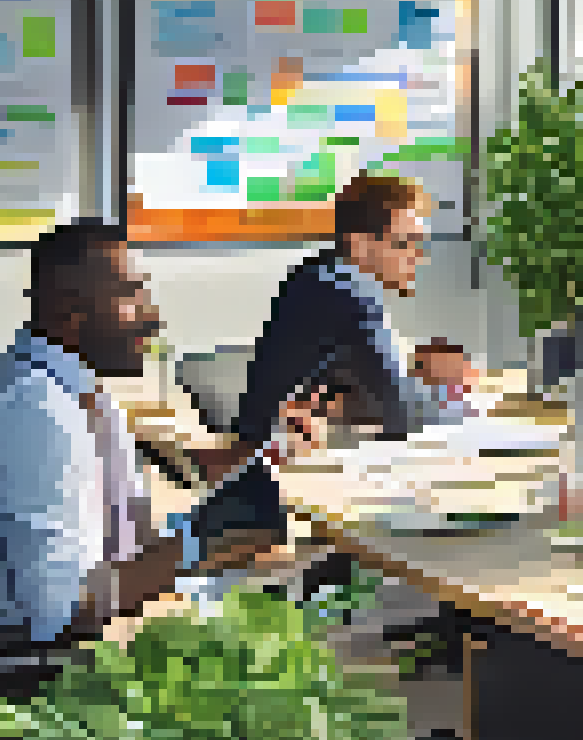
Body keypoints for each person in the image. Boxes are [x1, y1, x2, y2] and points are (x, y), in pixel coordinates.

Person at [0, 221, 212, 648]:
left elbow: (121, 544)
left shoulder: (55, 385)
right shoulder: (35, 408)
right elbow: (61, 613)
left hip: (63, 644)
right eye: (130, 294)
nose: (153, 320)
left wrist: (217, 536)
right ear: (68, 311)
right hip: (31, 671)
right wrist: (201, 545)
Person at [203, 171, 473, 543]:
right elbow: (402, 412)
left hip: (281, 470)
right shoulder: (355, 294)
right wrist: (462, 400)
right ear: (360, 246)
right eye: (405, 243)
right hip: (283, 491)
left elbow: (371, 389)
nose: (418, 258)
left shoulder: (319, 275)